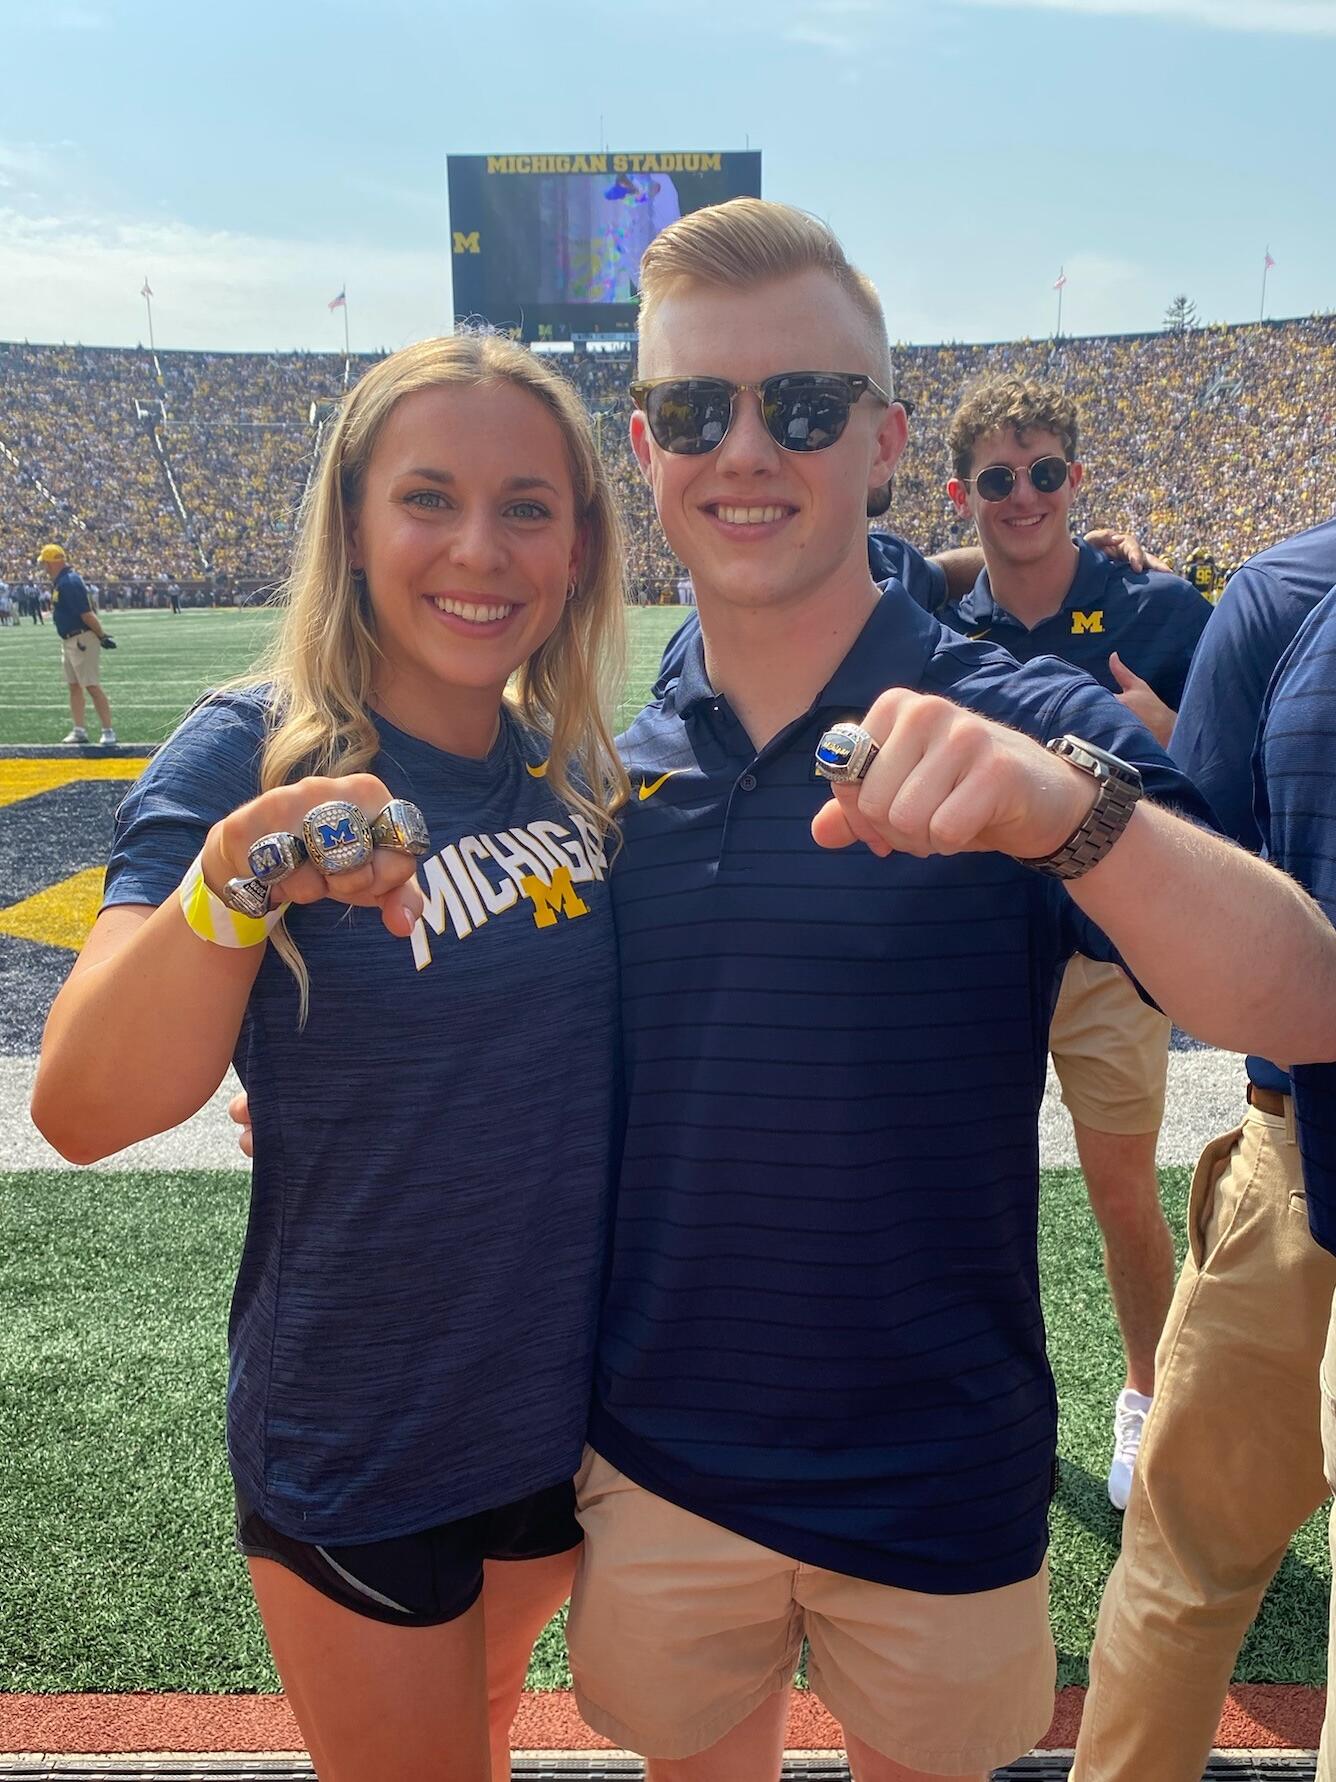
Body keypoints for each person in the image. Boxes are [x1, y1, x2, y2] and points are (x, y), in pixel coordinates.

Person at [563, 199, 1336, 1782]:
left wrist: (1068, 815)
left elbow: (1302, 997)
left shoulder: (1013, 712)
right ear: (643, 446)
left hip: (937, 1457)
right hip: (658, 1454)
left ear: (886, 440)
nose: (746, 449)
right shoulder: (595, 754)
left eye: (804, 405)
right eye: (696, 410)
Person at [32, 333, 630, 1782]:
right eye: (428, 498)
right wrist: (238, 886)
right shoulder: (247, 753)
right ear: (354, 525)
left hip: (570, 1422)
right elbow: (85, 1107)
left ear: (578, 547)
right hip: (374, 1426)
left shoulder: (571, 764)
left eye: (527, 505)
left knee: (481, 1734)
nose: (478, 548)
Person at [1069, 514, 1336, 1782]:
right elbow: (1208, 913)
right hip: (1296, 1148)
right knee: (1174, 1565)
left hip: (1293, 1141)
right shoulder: (1286, 589)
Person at [940, 374, 1215, 1508]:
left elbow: (1226, 787)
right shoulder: (940, 618)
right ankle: (969, 1399)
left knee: (1116, 1193)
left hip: (1105, 951)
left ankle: (1145, 1390)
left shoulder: (1159, 609)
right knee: (960, 1189)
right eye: (998, 480)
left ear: (1076, 477)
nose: (1023, 498)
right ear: (961, 493)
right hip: (977, 949)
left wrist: (1174, 735)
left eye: (1044, 473)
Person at [37, 542, 118, 746]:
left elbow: (86, 613)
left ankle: (108, 730)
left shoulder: (69, 582)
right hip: (69, 639)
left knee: (91, 685)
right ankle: (79, 729)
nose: (43, 568)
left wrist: (101, 635)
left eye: (45, 563)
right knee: (74, 686)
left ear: (51, 562)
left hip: (81, 639)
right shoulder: (62, 581)